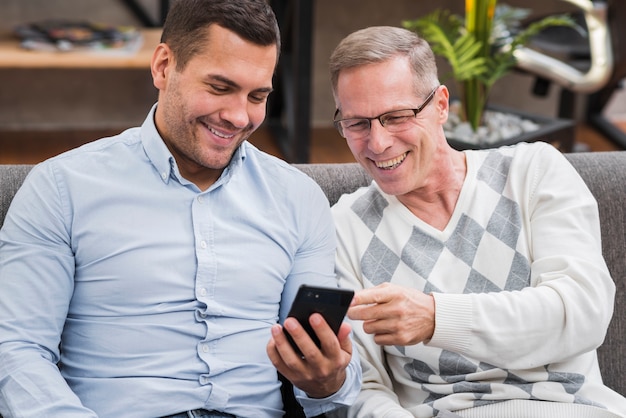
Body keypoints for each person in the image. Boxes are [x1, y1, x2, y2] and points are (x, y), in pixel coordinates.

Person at [0, 1, 361, 417]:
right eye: (220, 88)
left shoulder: (299, 198)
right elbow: (17, 351)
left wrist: (327, 379)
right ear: (163, 66)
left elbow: (329, 382)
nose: (238, 116)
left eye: (257, 96)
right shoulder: (61, 189)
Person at [328, 25, 626, 418]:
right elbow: (362, 386)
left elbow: (581, 313)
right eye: (357, 123)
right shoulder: (343, 227)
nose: (378, 143)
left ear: (440, 105)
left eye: (396, 117)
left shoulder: (532, 171)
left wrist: (437, 318)